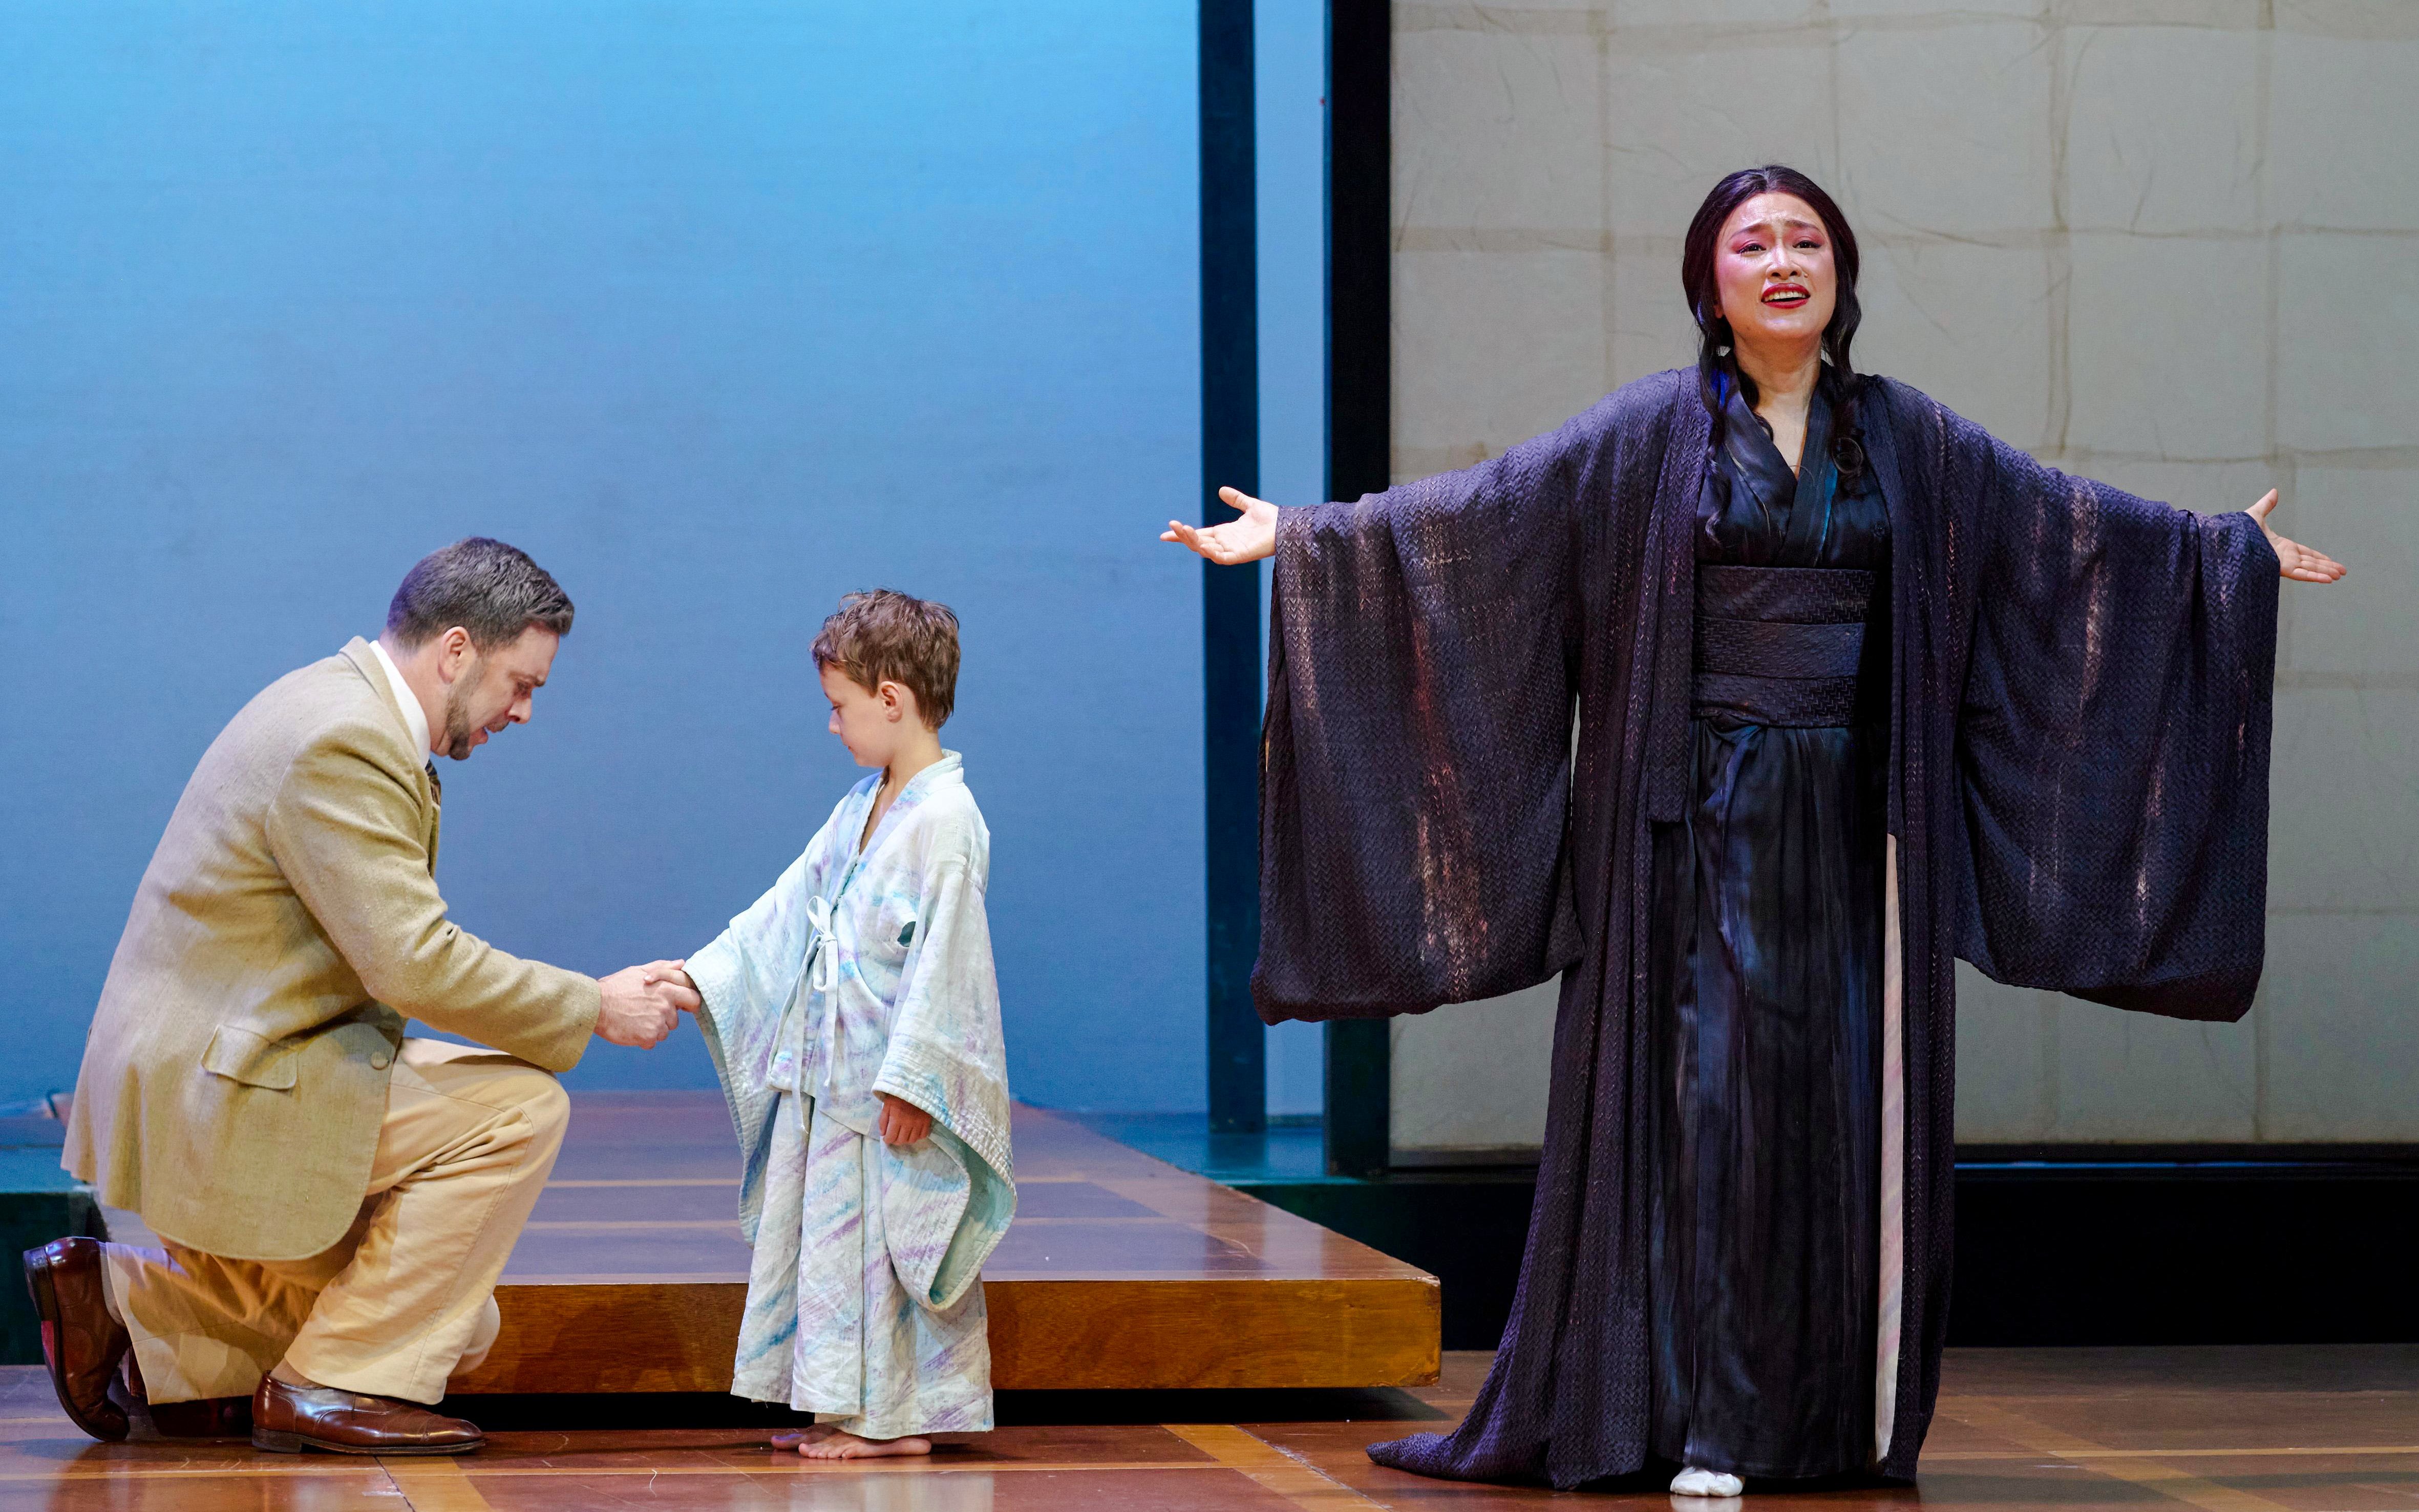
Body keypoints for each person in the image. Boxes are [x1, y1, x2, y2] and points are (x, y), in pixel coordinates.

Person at [1165, 165, 2343, 1493]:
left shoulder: (1904, 437)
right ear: (1708, 281)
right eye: (1752, 242)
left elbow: (2051, 526)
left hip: (1854, 831)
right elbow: (1488, 508)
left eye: (1805, 240)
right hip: (1691, 823)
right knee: (1709, 1111)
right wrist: (1316, 538)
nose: (1782, 260)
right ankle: (1692, 1422)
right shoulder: (1648, 432)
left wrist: (2207, 555)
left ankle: (1815, 1419)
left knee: (1833, 1117)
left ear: (1837, 273)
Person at [30, 537, 701, 1455]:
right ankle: (325, 1385)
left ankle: (131, 1311)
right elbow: (414, 963)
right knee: (519, 1108)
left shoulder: (331, 701)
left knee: (459, 1323)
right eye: (522, 681)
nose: (526, 710)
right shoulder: (345, 738)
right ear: (457, 650)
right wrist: (595, 1005)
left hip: (219, 1077)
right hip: (223, 1095)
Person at [667, 589, 1012, 1460]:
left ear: (891, 699)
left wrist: (918, 1079)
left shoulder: (947, 820)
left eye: (840, 706)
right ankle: (838, 1403)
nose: (833, 726)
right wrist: (701, 975)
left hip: (890, 1085)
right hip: (828, 1078)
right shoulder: (862, 804)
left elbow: (954, 964)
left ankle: (896, 1421)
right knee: (832, 1250)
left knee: (889, 1253)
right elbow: (788, 912)